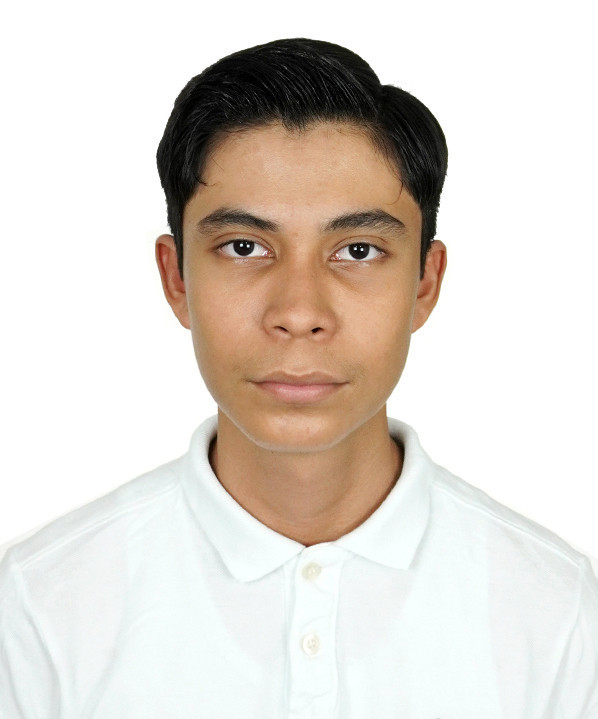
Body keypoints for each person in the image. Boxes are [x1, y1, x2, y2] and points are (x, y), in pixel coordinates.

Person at [1, 37, 597, 718]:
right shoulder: (41, 605)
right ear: (177, 279)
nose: (299, 313)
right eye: (245, 247)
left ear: (425, 283)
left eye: (358, 250)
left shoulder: (556, 611)